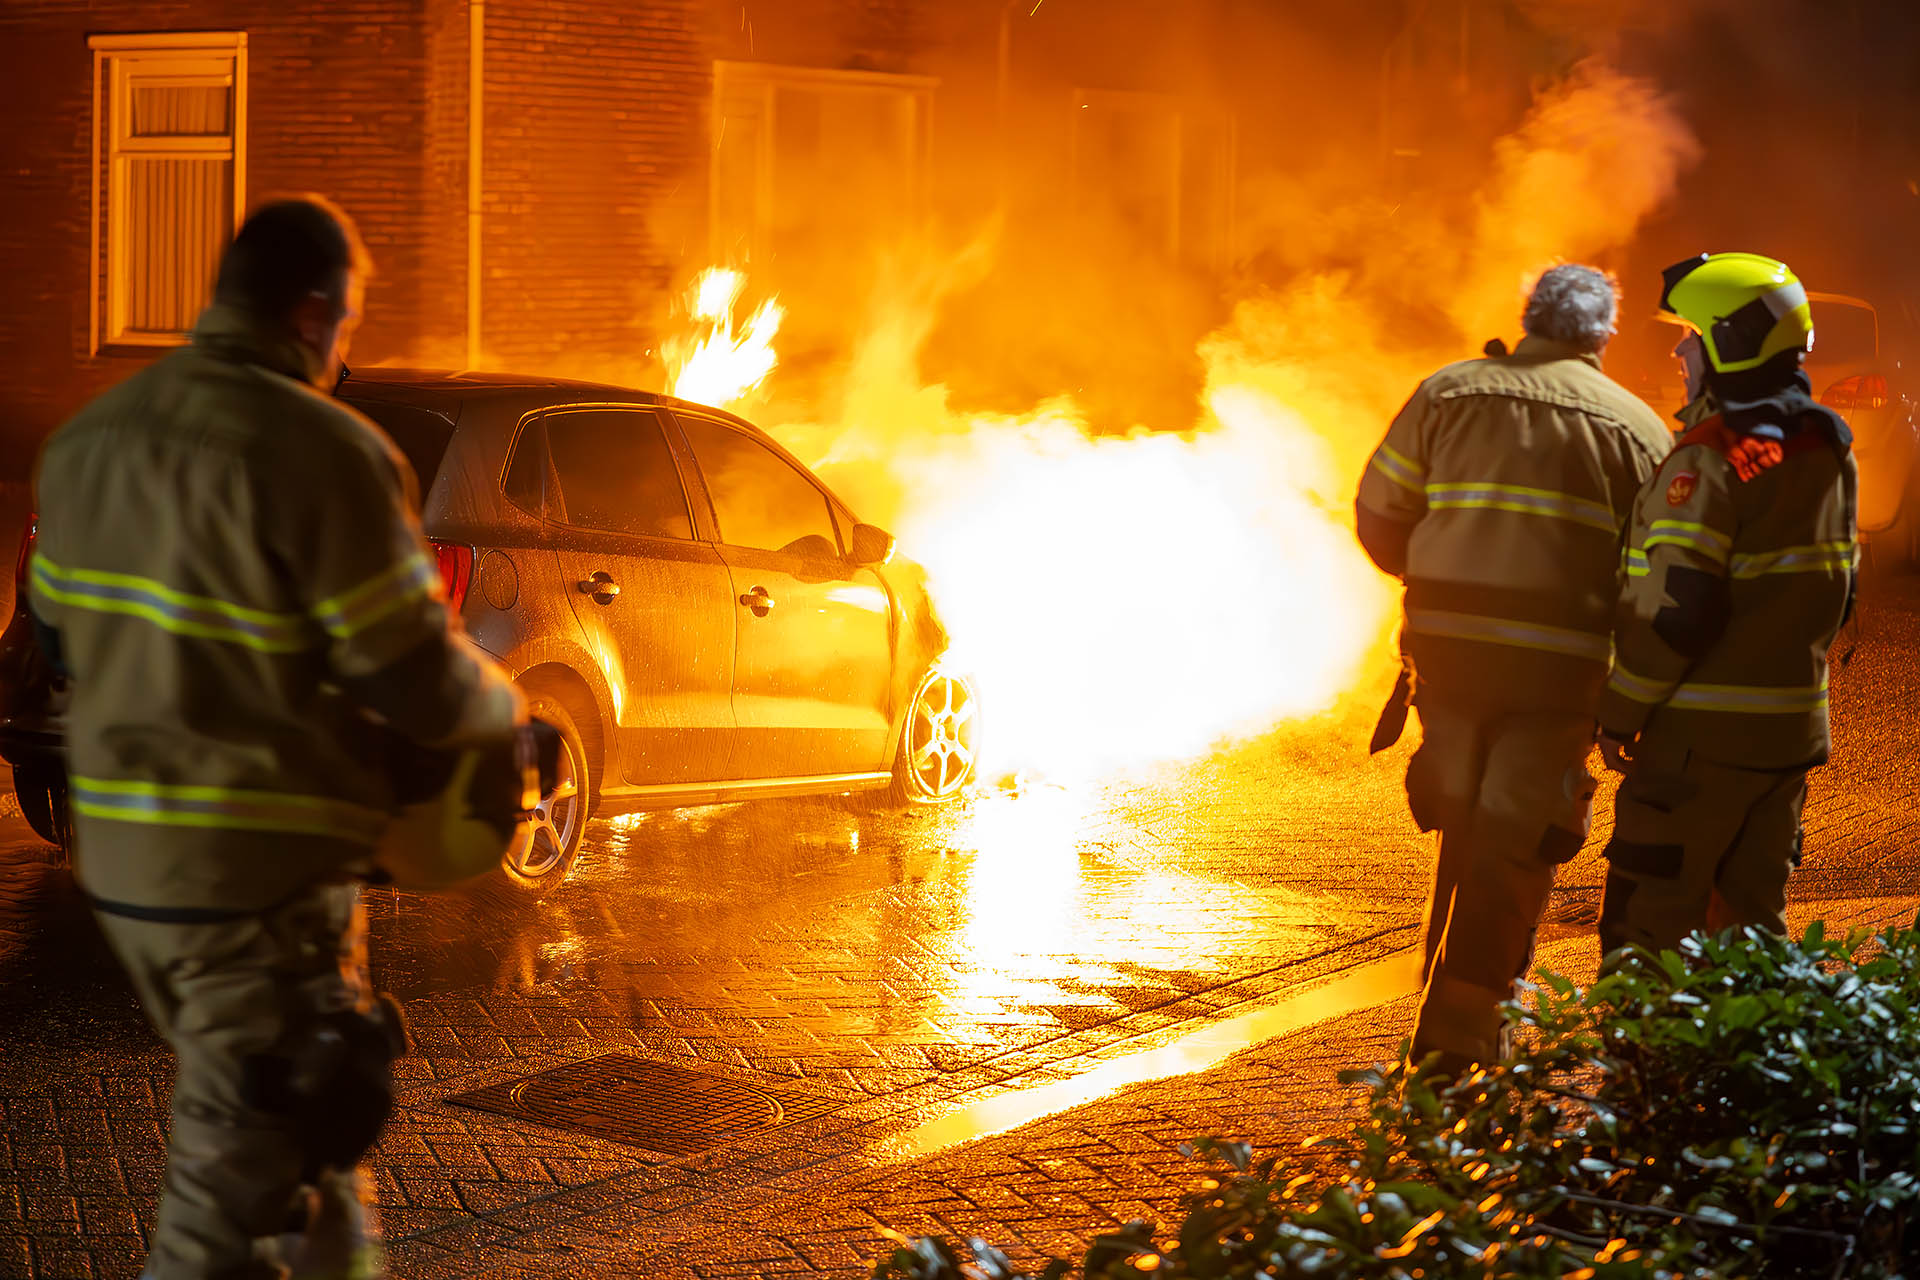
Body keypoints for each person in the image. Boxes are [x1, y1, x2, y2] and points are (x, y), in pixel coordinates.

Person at [29, 197, 525, 1280]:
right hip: (256, 874)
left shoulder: (90, 440)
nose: (347, 346)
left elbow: (60, 624)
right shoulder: (329, 451)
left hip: (126, 856)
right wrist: (505, 718)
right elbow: (409, 669)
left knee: (314, 1156)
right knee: (236, 1182)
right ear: (311, 312)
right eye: (349, 320)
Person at [1355, 263, 1672, 1071]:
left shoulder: (1449, 393)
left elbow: (1380, 514)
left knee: (1458, 813)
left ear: (1529, 318)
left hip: (1450, 663)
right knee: (1515, 841)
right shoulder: (1639, 430)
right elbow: (1654, 577)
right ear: (1603, 336)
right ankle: (1457, 1053)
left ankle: (1440, 1016)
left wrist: (1436, 580)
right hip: (1558, 682)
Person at [1595, 252, 1855, 954]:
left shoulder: (1707, 458)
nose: (1680, 348)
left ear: (1728, 344)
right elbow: (1840, 590)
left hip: (1698, 745)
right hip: (1787, 742)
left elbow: (1678, 612)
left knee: (1645, 940)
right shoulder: (1826, 447)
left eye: (1692, 334)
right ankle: (1746, 1069)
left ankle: (1648, 1068)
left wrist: (1620, 712)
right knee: (1750, 945)